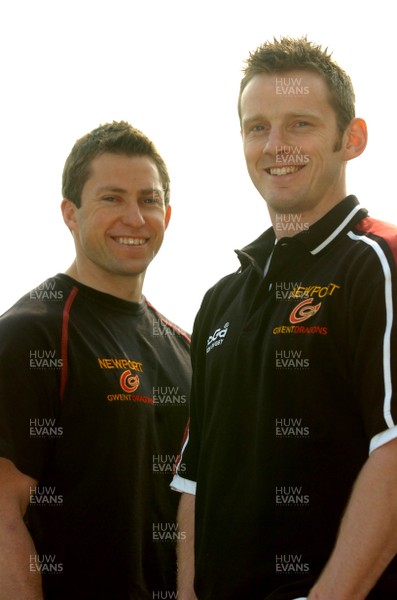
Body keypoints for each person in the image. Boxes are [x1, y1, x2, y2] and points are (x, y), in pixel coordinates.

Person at [171, 37, 397, 599]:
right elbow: (196, 479)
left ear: (353, 138)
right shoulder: (220, 300)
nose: (276, 145)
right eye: (257, 127)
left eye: (300, 124)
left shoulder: (379, 263)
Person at [0, 121, 191, 600]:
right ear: (70, 213)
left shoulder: (186, 348)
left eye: (148, 200)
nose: (135, 217)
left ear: (167, 215)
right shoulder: (32, 332)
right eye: (111, 198)